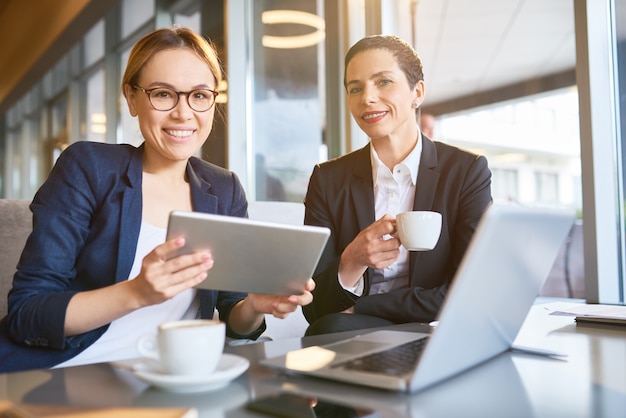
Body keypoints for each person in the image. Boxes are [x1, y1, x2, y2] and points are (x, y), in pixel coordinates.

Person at [0, 26, 314, 372]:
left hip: (172, 377)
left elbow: (234, 318)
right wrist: (136, 292)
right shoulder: (89, 168)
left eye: (198, 95)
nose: (183, 113)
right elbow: (27, 314)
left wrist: (255, 305)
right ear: (132, 98)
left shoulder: (223, 189)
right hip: (68, 371)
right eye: (163, 94)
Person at [302, 35, 491, 335]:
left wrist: (367, 306)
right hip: (353, 328)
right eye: (355, 88)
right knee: (329, 327)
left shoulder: (466, 172)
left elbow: (469, 290)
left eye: (383, 82)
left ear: (418, 92)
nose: (367, 97)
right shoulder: (328, 179)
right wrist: (352, 260)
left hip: (438, 327)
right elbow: (315, 308)